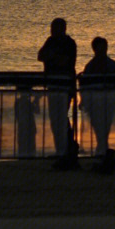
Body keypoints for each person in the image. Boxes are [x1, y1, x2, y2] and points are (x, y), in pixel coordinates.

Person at [37, 17, 77, 156]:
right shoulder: (50, 41)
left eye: (55, 28)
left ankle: (67, 147)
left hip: (65, 87)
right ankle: (59, 148)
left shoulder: (69, 43)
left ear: (63, 29)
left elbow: (64, 61)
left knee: (62, 118)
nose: (52, 31)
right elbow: (40, 56)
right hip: (52, 86)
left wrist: (51, 56)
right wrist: (54, 56)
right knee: (55, 118)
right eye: (52, 28)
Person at [81, 36, 115, 156]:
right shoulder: (90, 67)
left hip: (109, 101)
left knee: (105, 126)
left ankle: (102, 150)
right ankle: (102, 149)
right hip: (94, 102)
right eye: (100, 48)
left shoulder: (113, 65)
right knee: (98, 127)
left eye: (104, 47)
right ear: (95, 49)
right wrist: (83, 101)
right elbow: (84, 85)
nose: (103, 50)